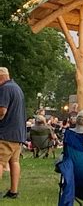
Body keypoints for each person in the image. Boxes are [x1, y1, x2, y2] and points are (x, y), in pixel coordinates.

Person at [0, 67, 27, 199]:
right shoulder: (16, 88)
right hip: (18, 134)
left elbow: (2, 111)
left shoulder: (4, 89)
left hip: (6, 133)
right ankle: (13, 191)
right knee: (14, 162)